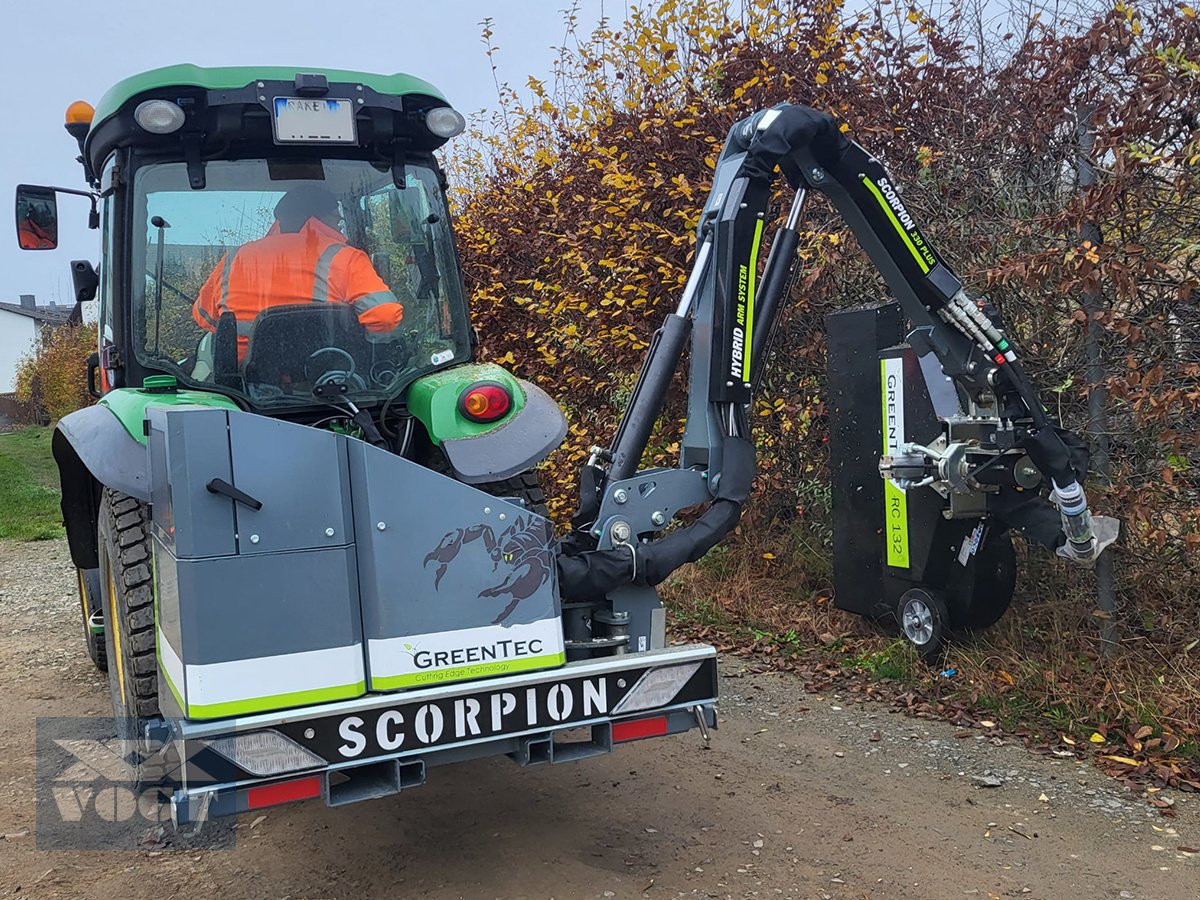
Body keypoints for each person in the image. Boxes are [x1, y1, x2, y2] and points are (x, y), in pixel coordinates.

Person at [192, 185, 404, 362]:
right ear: (317, 220)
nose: (340, 228)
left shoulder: (235, 257)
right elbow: (385, 316)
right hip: (327, 379)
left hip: (242, 384)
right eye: (336, 221)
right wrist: (364, 350)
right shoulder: (345, 257)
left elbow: (203, 317)